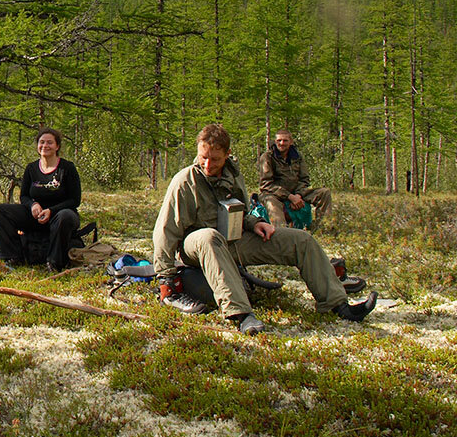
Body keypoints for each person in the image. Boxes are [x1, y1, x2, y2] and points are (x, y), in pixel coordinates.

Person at [153, 123, 376, 335]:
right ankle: (240, 314)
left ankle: (338, 305)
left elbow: (241, 211)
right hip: (197, 246)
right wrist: (166, 280)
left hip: (232, 240)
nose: (208, 165)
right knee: (209, 237)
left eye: (215, 159)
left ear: (227, 154)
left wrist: (254, 223)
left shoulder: (233, 175)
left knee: (301, 240)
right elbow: (165, 231)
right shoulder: (184, 181)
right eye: (203, 158)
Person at [0, 127, 82, 272]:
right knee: (0, 211)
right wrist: (33, 205)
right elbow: (24, 196)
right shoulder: (31, 168)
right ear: (37, 146)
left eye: (50, 143)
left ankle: (54, 262)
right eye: (42, 142)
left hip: (60, 217)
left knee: (65, 216)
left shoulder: (67, 168)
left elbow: (74, 200)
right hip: (36, 216)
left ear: (57, 146)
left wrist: (51, 211)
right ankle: (13, 257)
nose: (45, 146)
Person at [258, 128, 333, 230]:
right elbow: (266, 184)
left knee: (324, 193)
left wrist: (298, 195)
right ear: (275, 142)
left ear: (291, 142)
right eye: (279, 140)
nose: (282, 143)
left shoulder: (297, 156)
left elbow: (304, 180)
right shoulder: (267, 157)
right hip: (273, 193)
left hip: (295, 191)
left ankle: (323, 227)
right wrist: (290, 197)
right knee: (271, 204)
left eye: (285, 140)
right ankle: (282, 232)